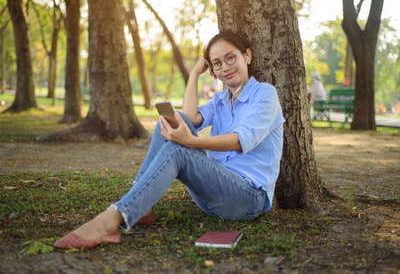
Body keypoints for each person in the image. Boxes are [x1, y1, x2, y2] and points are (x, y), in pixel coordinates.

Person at [54, 31, 285, 250]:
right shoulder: (221, 100)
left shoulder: (265, 94)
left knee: (179, 149)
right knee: (171, 120)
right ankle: (143, 206)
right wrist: (194, 72)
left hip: (247, 198)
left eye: (230, 58)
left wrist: (191, 143)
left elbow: (239, 140)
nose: (225, 67)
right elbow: (190, 118)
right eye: (217, 63)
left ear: (247, 55)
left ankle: (112, 219)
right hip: (213, 194)